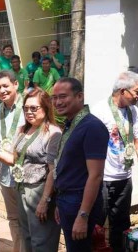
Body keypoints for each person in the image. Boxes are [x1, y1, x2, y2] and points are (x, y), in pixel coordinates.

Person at [0, 88, 62, 251]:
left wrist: (44, 201)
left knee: (41, 240)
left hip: (39, 191)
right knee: (26, 237)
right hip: (21, 188)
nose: (29, 112)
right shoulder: (22, 130)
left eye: (34, 108)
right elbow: (14, 159)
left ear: (46, 108)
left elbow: (53, 171)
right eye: (26, 108)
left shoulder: (53, 133)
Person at [52, 77, 109, 252]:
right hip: (67, 200)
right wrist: (59, 202)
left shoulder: (92, 127)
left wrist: (83, 216)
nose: (58, 102)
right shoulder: (72, 124)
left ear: (80, 96)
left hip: (78, 202)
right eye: (54, 98)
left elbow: (96, 175)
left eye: (63, 96)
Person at [90, 71, 138, 252]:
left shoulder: (134, 111)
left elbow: (136, 140)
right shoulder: (99, 110)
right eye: (136, 91)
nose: (137, 96)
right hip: (103, 178)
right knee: (97, 225)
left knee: (121, 223)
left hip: (124, 177)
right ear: (123, 91)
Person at [0, 70, 26, 252]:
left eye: (5, 86)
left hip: (28, 175)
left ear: (15, 84)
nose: (2, 90)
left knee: (30, 217)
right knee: (13, 218)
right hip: (5, 175)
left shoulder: (29, 107)